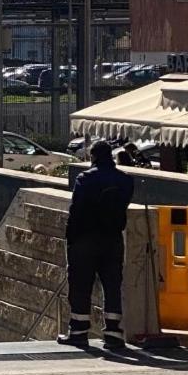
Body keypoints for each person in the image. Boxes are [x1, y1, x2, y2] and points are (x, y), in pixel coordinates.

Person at [57, 140, 134, 351]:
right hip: (113, 239)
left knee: (81, 285)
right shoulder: (126, 180)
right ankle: (113, 333)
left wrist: (71, 238)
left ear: (93, 156)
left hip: (85, 239)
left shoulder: (85, 179)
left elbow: (77, 210)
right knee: (112, 285)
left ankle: (79, 332)